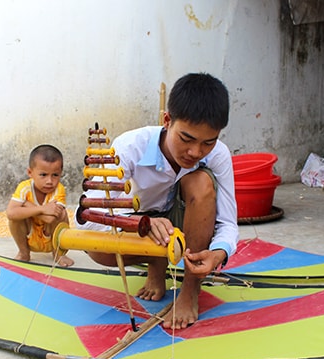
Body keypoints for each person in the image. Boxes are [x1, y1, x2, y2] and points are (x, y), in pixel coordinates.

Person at [75, 73, 238, 329]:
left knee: (201, 182)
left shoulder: (219, 154)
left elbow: (228, 222)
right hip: (139, 223)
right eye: (186, 139)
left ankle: (190, 289)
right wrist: (140, 224)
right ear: (167, 120)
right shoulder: (129, 147)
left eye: (208, 142)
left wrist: (219, 252)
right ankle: (156, 262)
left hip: (184, 223)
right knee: (100, 250)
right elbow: (86, 220)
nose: (195, 152)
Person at [6, 144, 74, 267]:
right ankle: (24, 253)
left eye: (55, 175)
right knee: (14, 219)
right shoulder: (24, 188)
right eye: (43, 175)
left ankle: (58, 254)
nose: (49, 181)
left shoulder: (59, 189)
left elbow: (50, 218)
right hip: (29, 235)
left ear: (61, 173)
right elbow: (11, 213)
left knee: (62, 214)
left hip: (51, 237)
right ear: (30, 172)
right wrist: (42, 208)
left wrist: (26, 205)